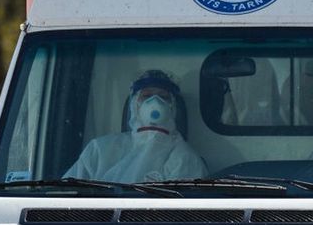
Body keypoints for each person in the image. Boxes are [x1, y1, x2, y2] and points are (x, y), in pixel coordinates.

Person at [63, 70, 207, 182]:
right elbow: (67, 193)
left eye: (163, 97)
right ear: (134, 104)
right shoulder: (100, 150)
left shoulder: (185, 158)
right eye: (147, 96)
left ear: (172, 106)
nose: (155, 102)